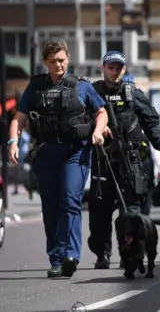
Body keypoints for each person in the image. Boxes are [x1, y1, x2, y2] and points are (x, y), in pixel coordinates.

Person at [7, 40, 108, 278]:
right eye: (53, 61)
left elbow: (101, 112)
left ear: (68, 59)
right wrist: (13, 142)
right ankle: (56, 257)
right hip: (46, 152)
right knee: (50, 207)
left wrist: (98, 130)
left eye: (62, 60)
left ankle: (71, 255)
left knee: (70, 200)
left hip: (76, 151)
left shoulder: (82, 86)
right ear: (45, 63)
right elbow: (18, 118)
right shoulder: (36, 86)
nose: (58, 65)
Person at [88, 51, 160, 269]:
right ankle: (103, 253)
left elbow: (151, 123)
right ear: (103, 68)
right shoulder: (93, 92)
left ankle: (131, 254)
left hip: (132, 160)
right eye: (110, 67)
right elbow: (80, 119)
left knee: (133, 211)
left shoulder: (133, 93)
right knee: (100, 211)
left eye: (118, 68)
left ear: (124, 69)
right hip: (104, 160)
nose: (114, 71)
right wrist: (97, 126)